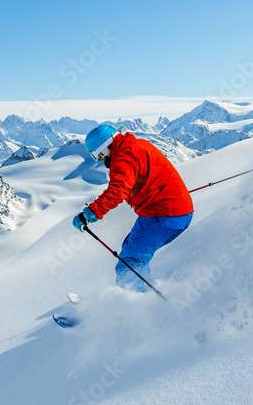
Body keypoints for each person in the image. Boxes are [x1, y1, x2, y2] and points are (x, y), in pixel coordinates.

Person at [72, 124, 194, 291]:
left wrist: (90, 212)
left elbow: (117, 190)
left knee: (129, 263)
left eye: (97, 155)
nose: (100, 160)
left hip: (163, 215)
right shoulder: (138, 145)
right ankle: (144, 295)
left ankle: (131, 308)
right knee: (132, 251)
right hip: (175, 211)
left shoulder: (123, 158)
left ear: (103, 149)